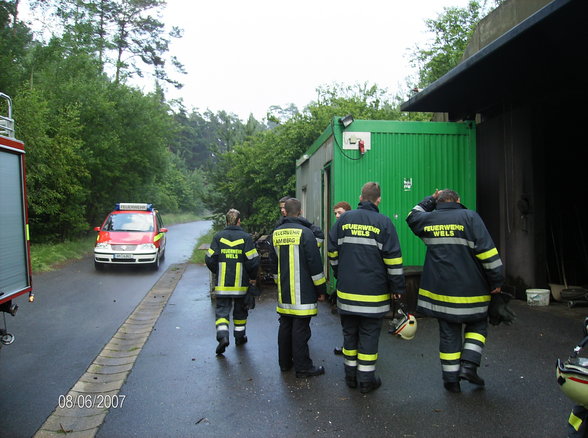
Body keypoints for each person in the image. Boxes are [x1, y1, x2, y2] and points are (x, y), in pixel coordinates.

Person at [406, 189, 505, 393]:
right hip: (473, 289)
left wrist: (430, 200)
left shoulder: (429, 220)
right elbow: (487, 253)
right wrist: (497, 280)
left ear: (439, 201)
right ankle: (468, 366)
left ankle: (451, 380)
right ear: (458, 201)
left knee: (448, 332)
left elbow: (412, 215)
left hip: (441, 292)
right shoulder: (470, 217)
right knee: (477, 325)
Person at [328, 182, 406, 394]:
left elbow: (332, 253)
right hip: (374, 294)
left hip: (346, 292)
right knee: (369, 336)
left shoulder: (343, 220)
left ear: (360, 197)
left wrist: (339, 273)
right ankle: (366, 380)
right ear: (378, 200)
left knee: (349, 334)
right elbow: (393, 260)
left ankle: (350, 377)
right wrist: (397, 288)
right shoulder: (384, 223)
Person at [271, 198, 327, 378]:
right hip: (303, 293)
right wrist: (321, 290)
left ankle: (285, 363)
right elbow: (315, 265)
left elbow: (273, 264)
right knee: (301, 330)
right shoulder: (306, 233)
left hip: (284, 293)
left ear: (285, 212)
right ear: (300, 212)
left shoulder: (276, 233)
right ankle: (303, 368)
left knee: (285, 326)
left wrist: (279, 284)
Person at [205, 209, 260, 355]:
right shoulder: (245, 238)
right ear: (239, 221)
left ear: (226, 221)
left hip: (223, 285)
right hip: (241, 285)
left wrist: (218, 271)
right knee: (241, 311)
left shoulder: (218, 237)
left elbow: (209, 258)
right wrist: (251, 276)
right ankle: (239, 337)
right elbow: (253, 261)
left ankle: (223, 337)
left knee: (222, 312)